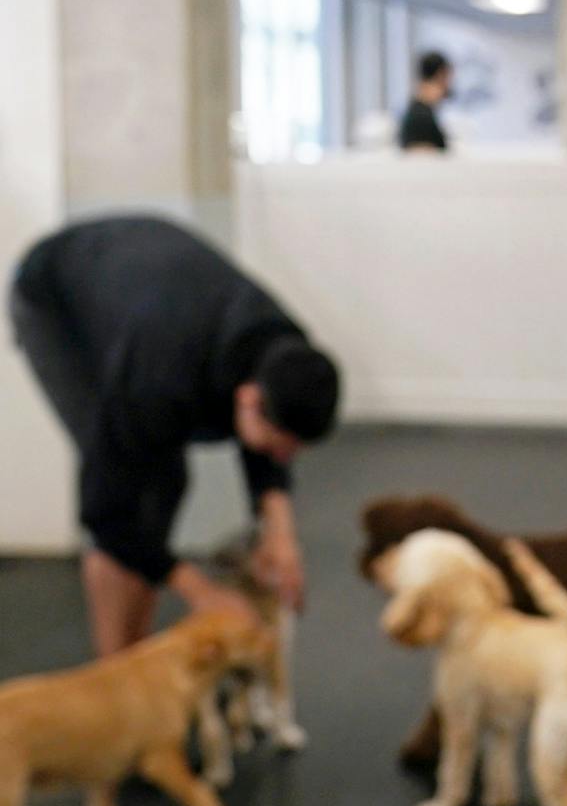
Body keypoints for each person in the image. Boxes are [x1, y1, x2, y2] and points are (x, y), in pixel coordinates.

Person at [8, 215, 341, 657]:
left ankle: (136, 653)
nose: (284, 456)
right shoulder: (159, 377)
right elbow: (105, 512)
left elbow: (268, 439)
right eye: (279, 442)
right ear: (247, 398)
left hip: (144, 279)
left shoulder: (283, 348)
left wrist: (281, 533)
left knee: (165, 483)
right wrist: (202, 593)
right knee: (127, 488)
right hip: (54, 298)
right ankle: (116, 676)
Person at [399, 51, 453, 152]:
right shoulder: (420, 117)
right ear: (441, 74)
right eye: (449, 77)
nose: (450, 83)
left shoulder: (421, 111)